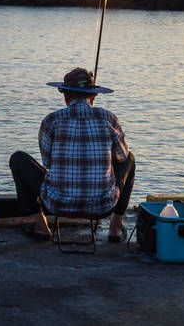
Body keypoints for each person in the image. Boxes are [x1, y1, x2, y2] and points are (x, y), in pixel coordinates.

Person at [8, 67, 136, 242]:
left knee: (18, 159)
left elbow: (48, 163)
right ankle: (115, 227)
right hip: (103, 206)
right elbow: (122, 156)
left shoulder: (51, 120)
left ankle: (40, 225)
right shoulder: (109, 118)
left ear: (65, 95)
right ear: (93, 96)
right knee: (130, 159)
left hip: (56, 204)